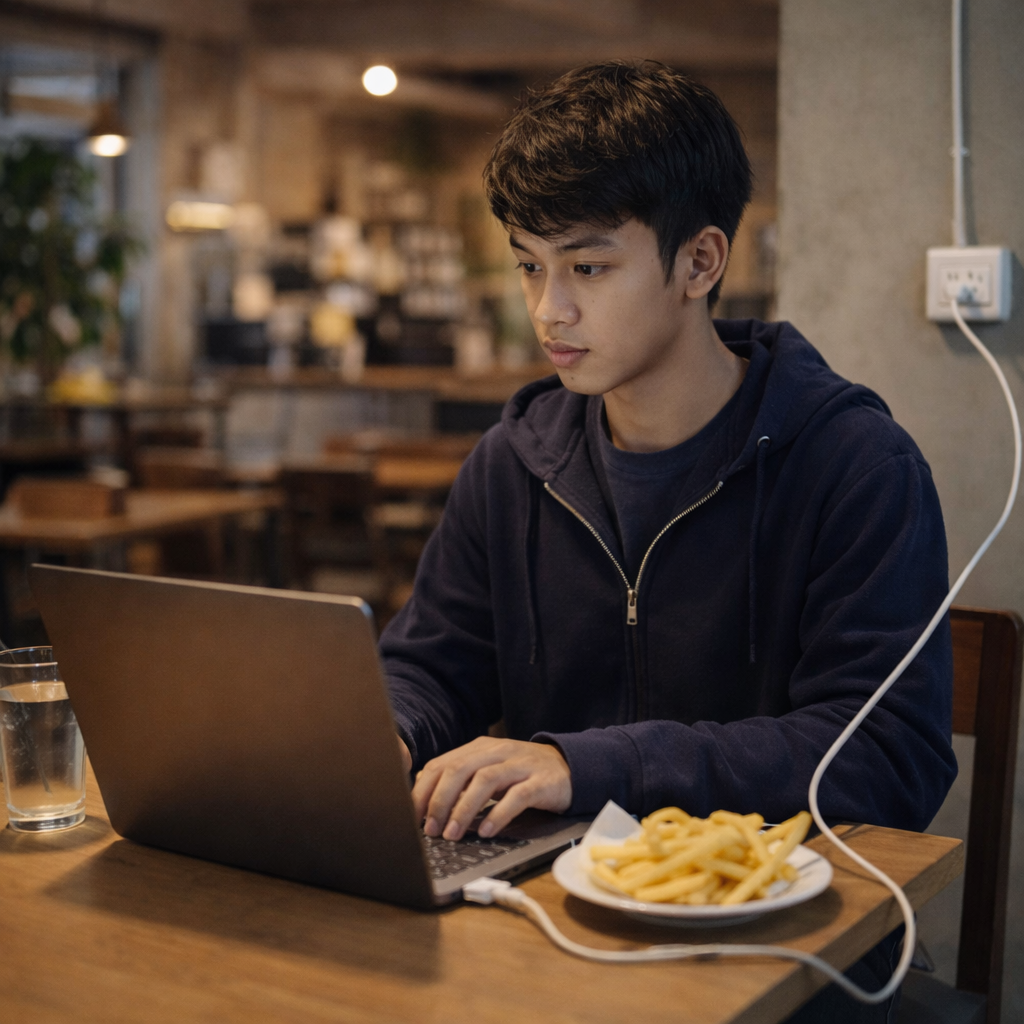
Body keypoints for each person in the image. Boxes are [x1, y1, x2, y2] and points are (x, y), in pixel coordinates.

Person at [381, 60, 956, 1020]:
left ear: (700, 262)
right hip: (548, 926)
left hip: (780, 943)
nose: (548, 309)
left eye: (588, 267)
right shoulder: (512, 462)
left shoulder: (856, 464)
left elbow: (888, 760)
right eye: (529, 263)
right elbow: (433, 666)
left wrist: (589, 764)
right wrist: (386, 732)